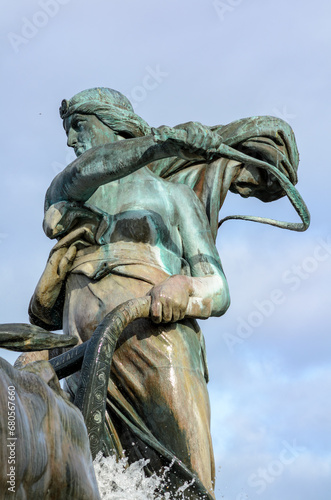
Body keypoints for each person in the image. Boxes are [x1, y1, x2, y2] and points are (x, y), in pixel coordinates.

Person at [26, 88, 307, 499]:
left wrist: (185, 286)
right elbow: (87, 168)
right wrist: (160, 143)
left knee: (186, 478)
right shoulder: (71, 190)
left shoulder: (175, 199)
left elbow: (220, 289)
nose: (71, 141)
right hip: (79, 353)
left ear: (115, 125)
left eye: (80, 126)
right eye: (69, 131)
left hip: (157, 343)